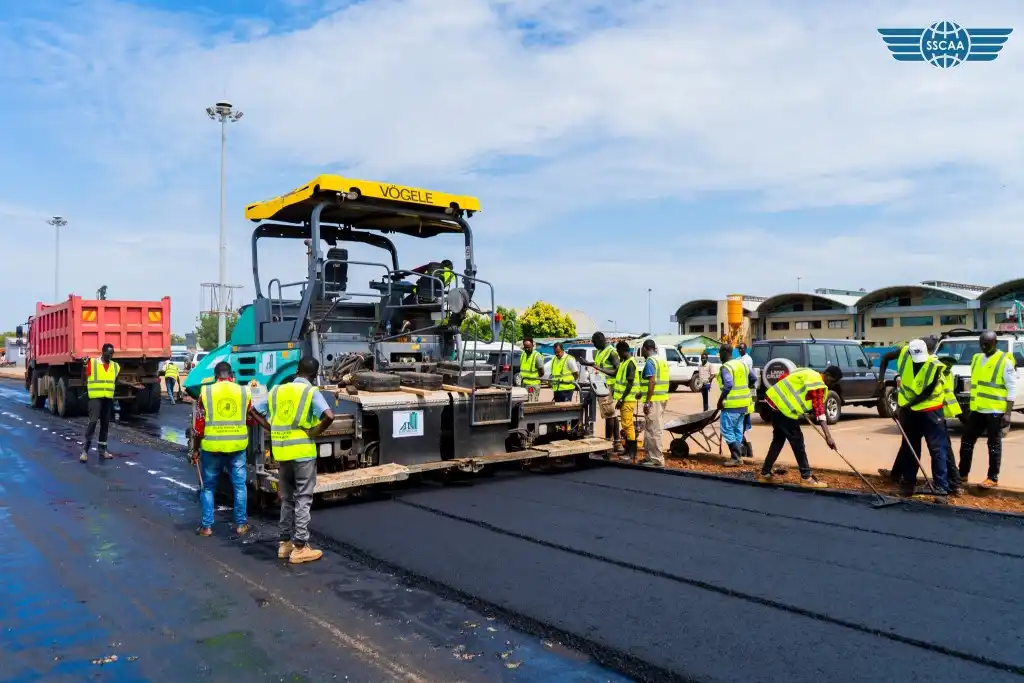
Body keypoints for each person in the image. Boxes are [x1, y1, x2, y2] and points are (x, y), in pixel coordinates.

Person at [259, 357, 336, 564]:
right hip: (303, 452)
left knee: (287, 498)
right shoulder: (310, 392)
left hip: (282, 451)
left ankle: (284, 544)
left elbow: (254, 411)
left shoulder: (277, 390)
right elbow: (329, 416)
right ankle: (300, 547)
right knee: (303, 497)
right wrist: (313, 432)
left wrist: (271, 429)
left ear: (296, 370)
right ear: (315, 375)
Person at [192, 361, 267, 537]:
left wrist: (195, 449)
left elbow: (199, 426)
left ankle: (206, 527)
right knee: (239, 486)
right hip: (237, 447)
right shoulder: (243, 391)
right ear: (231, 375)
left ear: (215, 376)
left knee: (208, 488)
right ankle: (241, 524)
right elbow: (250, 419)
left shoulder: (206, 392)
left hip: (212, 448)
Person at [758, 365, 843, 488]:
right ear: (828, 376)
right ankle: (806, 477)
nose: (833, 385)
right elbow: (819, 411)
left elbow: (783, 378)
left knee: (778, 440)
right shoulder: (817, 384)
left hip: (772, 403)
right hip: (784, 410)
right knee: (798, 443)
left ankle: (765, 473)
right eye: (834, 382)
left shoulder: (807, 371)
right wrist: (828, 436)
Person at [888, 339, 949, 497]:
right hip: (910, 412)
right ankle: (908, 484)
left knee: (937, 449)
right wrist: (899, 407)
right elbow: (902, 384)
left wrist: (905, 406)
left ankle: (941, 488)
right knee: (910, 448)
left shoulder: (934, 365)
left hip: (931, 411)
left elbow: (926, 393)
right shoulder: (904, 358)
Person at [959, 331, 1016, 488]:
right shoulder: (977, 359)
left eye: (987, 344)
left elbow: (1011, 387)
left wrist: (1008, 413)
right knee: (967, 441)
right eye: (981, 344)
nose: (984, 347)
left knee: (993, 444)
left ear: (995, 343)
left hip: (995, 411)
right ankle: (962, 474)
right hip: (978, 410)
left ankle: (992, 477)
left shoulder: (1004, 361)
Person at [81, 343, 120, 463]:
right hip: (95, 398)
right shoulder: (92, 363)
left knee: (105, 425)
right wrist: (84, 366)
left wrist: (131, 384)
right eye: (109, 353)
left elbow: (116, 381)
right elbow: (84, 379)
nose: (110, 356)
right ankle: (85, 451)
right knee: (93, 422)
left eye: (112, 353)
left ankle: (102, 450)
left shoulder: (115, 366)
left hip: (108, 399)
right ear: (102, 352)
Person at [583, 332, 622, 448]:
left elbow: (616, 370)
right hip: (601, 387)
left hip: (608, 387)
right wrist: (589, 364)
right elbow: (599, 365)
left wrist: (599, 368)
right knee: (611, 415)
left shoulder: (611, 352)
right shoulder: (600, 351)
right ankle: (617, 442)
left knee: (609, 415)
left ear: (600, 339)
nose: (594, 345)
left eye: (594, 342)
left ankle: (608, 442)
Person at [716, 345, 752, 467]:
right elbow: (752, 378)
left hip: (731, 405)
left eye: (720, 352)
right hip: (743, 405)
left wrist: (720, 400)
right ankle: (739, 457)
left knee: (726, 430)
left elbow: (728, 384)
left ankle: (736, 457)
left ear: (725, 352)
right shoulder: (742, 364)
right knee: (737, 431)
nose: (719, 355)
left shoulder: (726, 367)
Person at [638, 339, 669, 466]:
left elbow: (652, 382)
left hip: (654, 400)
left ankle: (656, 459)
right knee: (650, 428)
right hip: (660, 398)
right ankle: (650, 456)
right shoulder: (661, 360)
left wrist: (647, 401)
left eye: (642, 351)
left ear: (645, 349)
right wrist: (642, 393)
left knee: (654, 430)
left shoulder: (651, 362)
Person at [936, 355, 964, 496]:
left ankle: (953, 483)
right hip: (938, 414)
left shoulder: (939, 372)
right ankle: (897, 474)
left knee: (943, 449)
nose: (948, 368)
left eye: (949, 366)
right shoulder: (946, 373)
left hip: (936, 414)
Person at [612, 341, 642, 461]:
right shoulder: (625, 362)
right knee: (626, 424)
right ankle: (628, 449)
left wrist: (621, 399)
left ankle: (632, 453)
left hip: (628, 400)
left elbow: (629, 384)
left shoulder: (630, 364)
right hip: (626, 399)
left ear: (622, 351)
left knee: (628, 426)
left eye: (618, 352)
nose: (618, 355)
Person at [519, 337, 543, 403]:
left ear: (532, 346)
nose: (527, 349)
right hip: (523, 384)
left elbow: (541, 372)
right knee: (523, 404)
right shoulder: (523, 354)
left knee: (531, 404)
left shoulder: (537, 356)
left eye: (529, 347)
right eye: (525, 347)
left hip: (532, 385)